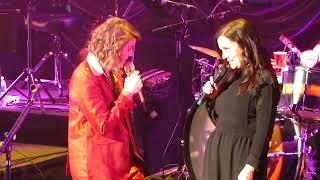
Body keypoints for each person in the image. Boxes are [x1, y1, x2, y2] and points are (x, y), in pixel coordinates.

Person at [202, 18, 280, 180]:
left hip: (241, 158)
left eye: (227, 49)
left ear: (244, 45)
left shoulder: (265, 80)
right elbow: (219, 119)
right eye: (221, 50)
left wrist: (250, 167)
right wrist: (211, 98)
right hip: (218, 154)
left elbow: (263, 131)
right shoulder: (229, 76)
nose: (224, 55)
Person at [67, 17, 145, 180]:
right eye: (129, 49)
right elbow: (103, 126)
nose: (131, 55)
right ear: (114, 47)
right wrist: (127, 93)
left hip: (114, 160)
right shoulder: (84, 77)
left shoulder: (110, 70)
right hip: (96, 167)